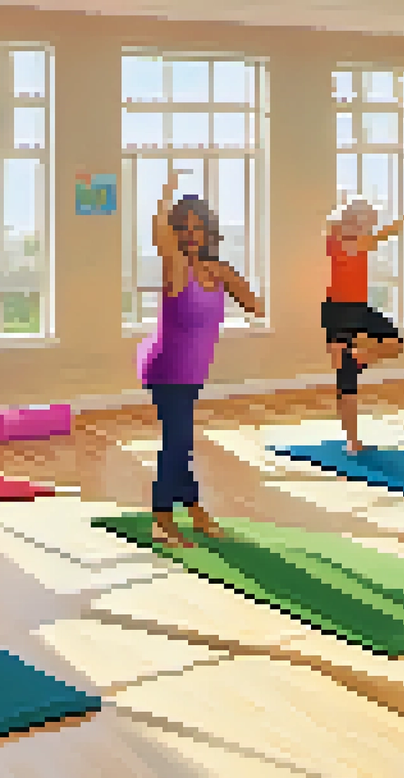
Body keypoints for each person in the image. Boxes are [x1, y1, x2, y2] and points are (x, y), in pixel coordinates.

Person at [140, 168, 264, 546]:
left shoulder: (220, 270)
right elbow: (158, 234)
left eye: (197, 227)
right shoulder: (176, 267)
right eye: (183, 227)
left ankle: (193, 508)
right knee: (177, 441)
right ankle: (163, 516)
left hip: (193, 370)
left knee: (182, 439)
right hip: (165, 367)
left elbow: (256, 306)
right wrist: (167, 191)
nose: (190, 234)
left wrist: (228, 276)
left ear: (210, 232)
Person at [322, 196, 404, 450]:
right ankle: (353, 441)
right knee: (346, 381)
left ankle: (361, 358)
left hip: (359, 309)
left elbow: (380, 231)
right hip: (336, 312)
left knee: (395, 343)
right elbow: (338, 223)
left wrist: (398, 219)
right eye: (353, 220)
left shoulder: (362, 242)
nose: (359, 225)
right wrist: (354, 209)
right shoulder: (334, 241)